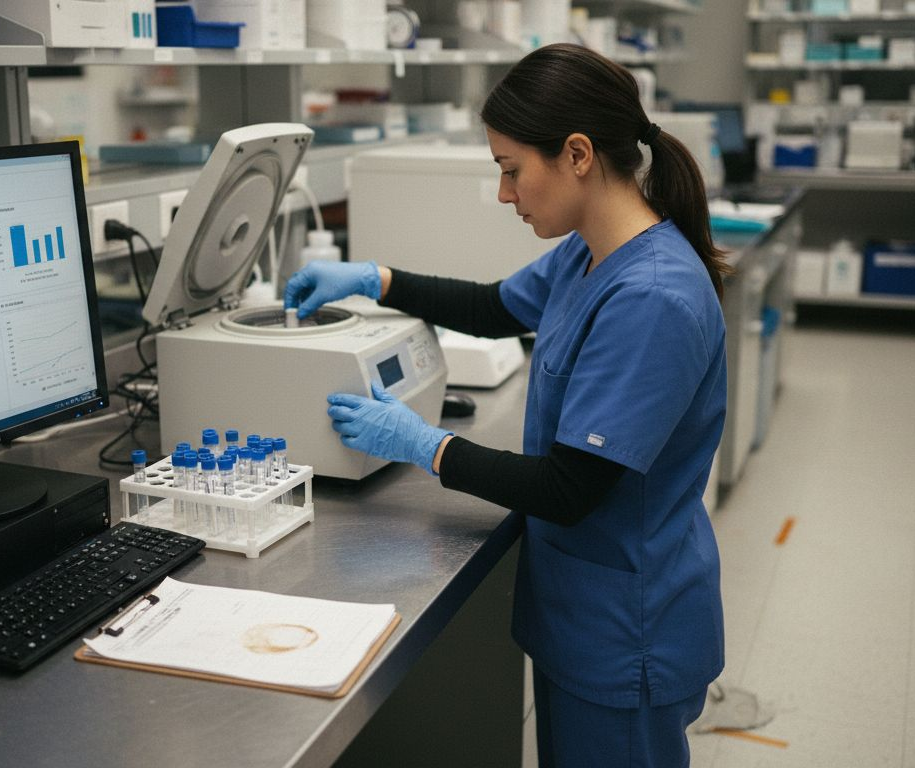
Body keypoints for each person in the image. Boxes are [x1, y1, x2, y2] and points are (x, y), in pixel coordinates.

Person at [284, 43, 730, 768]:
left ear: (578, 154)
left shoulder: (652, 297)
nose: (503, 193)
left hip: (627, 632)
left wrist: (425, 445)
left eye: (511, 169)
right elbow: (495, 309)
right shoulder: (590, 250)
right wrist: (376, 279)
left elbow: (569, 488)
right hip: (583, 614)